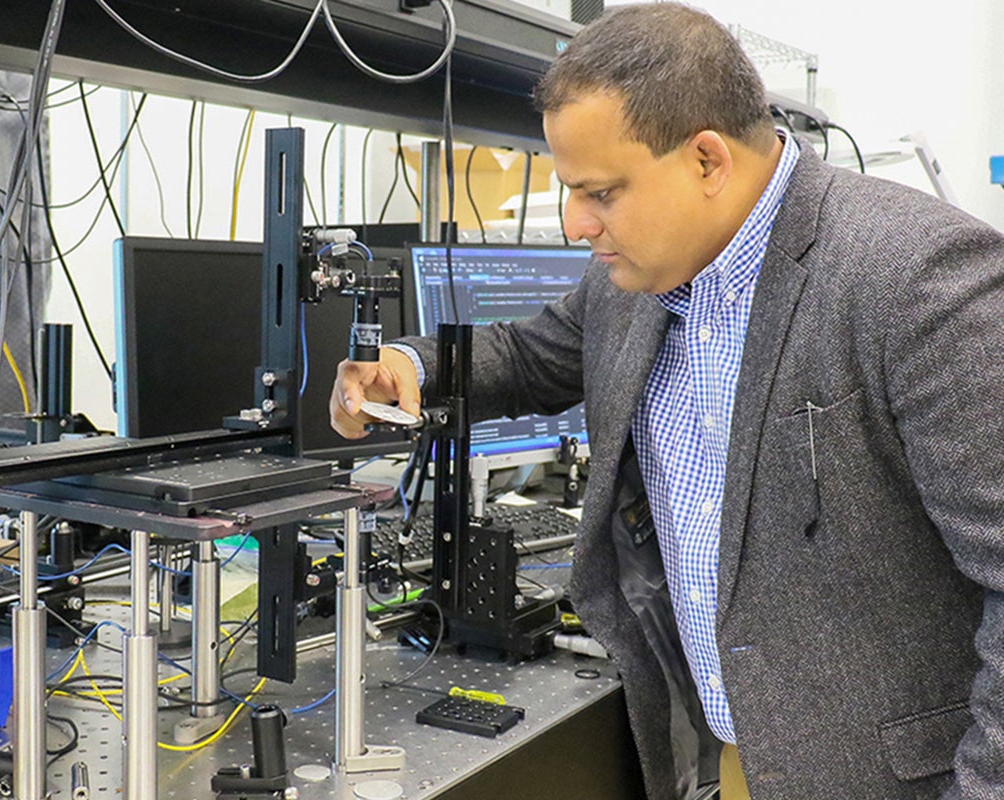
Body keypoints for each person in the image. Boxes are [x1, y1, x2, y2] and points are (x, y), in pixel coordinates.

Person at [330, 3, 1004, 799]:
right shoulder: (639, 279)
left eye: (602, 192)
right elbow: (529, 355)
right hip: (732, 755)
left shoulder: (917, 279)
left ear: (708, 160)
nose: (578, 224)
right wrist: (407, 363)